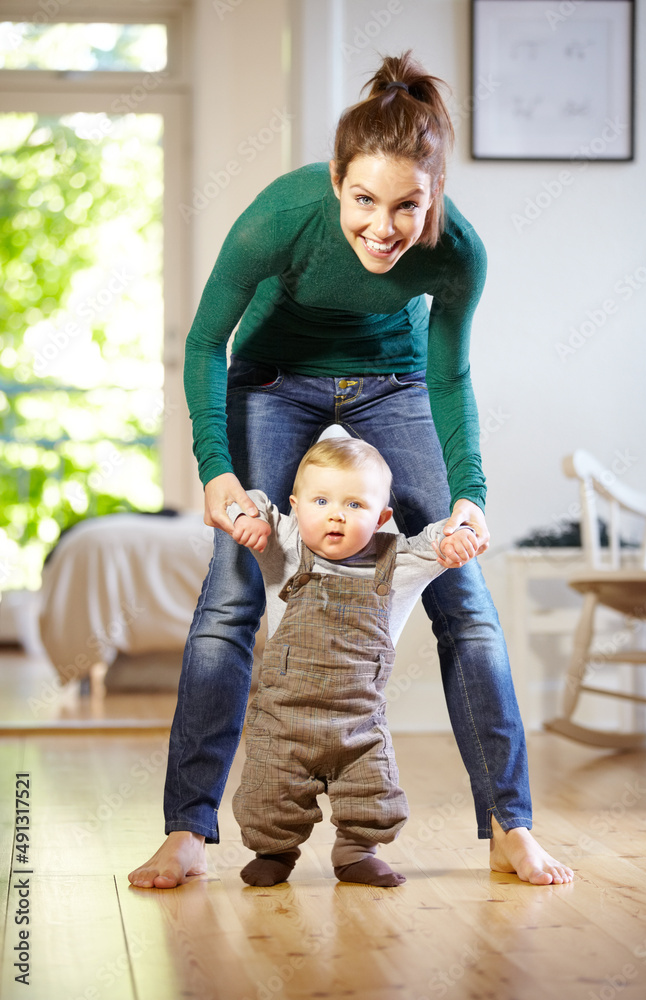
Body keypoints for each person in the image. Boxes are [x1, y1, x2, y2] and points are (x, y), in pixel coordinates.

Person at [129, 51, 574, 890]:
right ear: (336, 180)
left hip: (395, 384)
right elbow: (202, 345)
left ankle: (507, 824)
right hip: (272, 378)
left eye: (406, 205)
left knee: (462, 596)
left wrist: (470, 493)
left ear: (434, 196)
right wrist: (218, 471)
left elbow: (448, 376)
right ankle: (188, 829)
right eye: (363, 200)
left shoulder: (457, 255)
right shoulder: (281, 217)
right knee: (231, 594)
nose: (381, 226)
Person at [229, 437, 478, 888]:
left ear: (382, 518)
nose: (335, 514)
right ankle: (275, 851)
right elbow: (249, 503)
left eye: (355, 504)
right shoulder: (282, 546)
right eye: (320, 500)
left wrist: (459, 537)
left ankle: (357, 851)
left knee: (372, 792)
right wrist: (244, 518)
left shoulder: (397, 560)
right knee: (270, 791)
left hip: (359, 725)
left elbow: (438, 537)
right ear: (297, 505)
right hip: (284, 722)